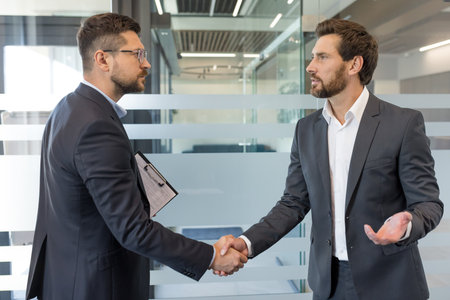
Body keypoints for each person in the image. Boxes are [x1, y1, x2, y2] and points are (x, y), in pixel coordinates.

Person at [26, 12, 247, 300]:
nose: (147, 63)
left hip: (68, 276)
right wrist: (211, 256)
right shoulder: (96, 124)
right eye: (137, 54)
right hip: (97, 286)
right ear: (103, 60)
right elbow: (133, 230)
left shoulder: (69, 108)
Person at [218, 18, 443, 300]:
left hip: (390, 282)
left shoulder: (402, 123)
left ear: (354, 65)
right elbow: (293, 203)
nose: (310, 67)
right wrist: (246, 242)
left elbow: (429, 204)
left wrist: (407, 222)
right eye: (312, 57)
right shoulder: (306, 129)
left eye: (322, 57)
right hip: (328, 283)